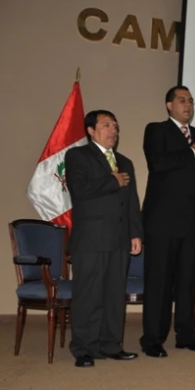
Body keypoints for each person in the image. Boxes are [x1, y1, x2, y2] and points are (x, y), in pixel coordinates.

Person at [140, 86, 195, 357]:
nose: (188, 105)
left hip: (194, 221)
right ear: (169, 105)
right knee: (159, 281)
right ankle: (152, 339)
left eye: (191, 101)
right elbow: (157, 163)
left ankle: (186, 334)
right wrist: (191, 154)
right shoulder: (156, 130)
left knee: (186, 280)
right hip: (162, 220)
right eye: (182, 100)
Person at [65, 110, 142, 368]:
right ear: (90, 130)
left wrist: (135, 233)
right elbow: (79, 190)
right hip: (90, 240)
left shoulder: (125, 162)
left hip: (119, 240)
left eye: (116, 126)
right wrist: (111, 181)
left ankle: (111, 345)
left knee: (113, 295)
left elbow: (132, 203)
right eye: (107, 125)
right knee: (88, 295)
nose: (113, 131)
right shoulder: (77, 156)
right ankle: (84, 349)